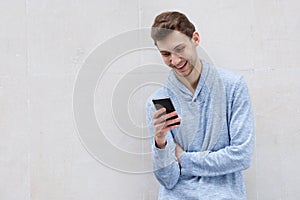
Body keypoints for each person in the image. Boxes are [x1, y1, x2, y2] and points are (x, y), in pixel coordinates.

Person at [145, 11, 255, 200]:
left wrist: (183, 158)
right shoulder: (159, 101)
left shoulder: (233, 87)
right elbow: (169, 180)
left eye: (179, 49)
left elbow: (241, 156)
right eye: (166, 54)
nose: (175, 60)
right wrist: (161, 143)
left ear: (195, 39)